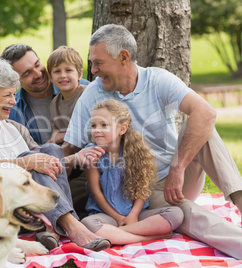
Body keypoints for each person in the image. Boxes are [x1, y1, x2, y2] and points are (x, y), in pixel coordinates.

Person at [63, 24, 242, 259]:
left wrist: (178, 169)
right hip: (146, 192)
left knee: (203, 124)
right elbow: (70, 150)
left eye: (98, 62)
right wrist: (44, 162)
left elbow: (206, 113)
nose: (93, 70)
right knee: (190, 215)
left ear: (123, 57)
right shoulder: (92, 96)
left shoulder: (158, 79)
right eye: (92, 63)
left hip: (176, 178)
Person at [0, 54, 109, 252]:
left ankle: (53, 230)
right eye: (7, 95)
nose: (13, 101)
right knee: (32, 158)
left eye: (13, 94)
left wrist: (76, 158)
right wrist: (27, 163)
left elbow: (46, 162)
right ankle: (71, 226)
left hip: (26, 211)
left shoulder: (15, 128)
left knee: (51, 150)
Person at [80, 99, 183, 245]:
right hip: (106, 216)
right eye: (93, 125)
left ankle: (117, 235)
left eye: (104, 125)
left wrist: (132, 216)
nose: (97, 130)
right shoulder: (93, 153)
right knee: (87, 224)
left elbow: (143, 188)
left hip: (135, 215)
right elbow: (97, 193)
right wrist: (119, 218)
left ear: (122, 129)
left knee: (175, 214)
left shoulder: (135, 152)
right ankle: (145, 237)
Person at [0, 43, 89, 145]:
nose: (38, 74)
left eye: (37, 65)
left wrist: (66, 135)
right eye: (27, 73)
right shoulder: (13, 112)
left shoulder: (82, 88)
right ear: (15, 82)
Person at [46, 46, 87, 145]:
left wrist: (63, 136)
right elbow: (56, 131)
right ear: (50, 77)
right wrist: (53, 139)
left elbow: (91, 130)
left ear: (79, 74)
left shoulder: (86, 95)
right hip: (68, 148)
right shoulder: (55, 103)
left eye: (68, 70)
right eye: (57, 71)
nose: (63, 75)